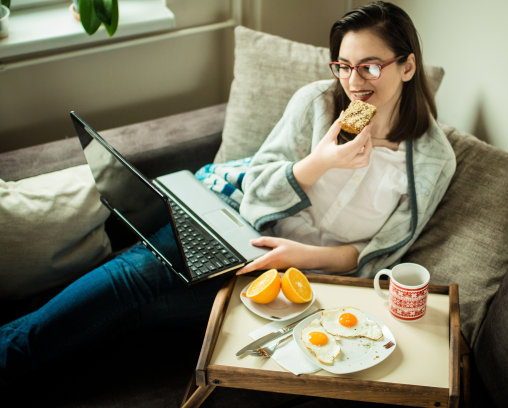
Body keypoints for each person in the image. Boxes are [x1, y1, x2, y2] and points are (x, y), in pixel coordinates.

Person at [0, 1, 455, 387]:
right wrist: (319, 163)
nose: (354, 82)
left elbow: (381, 252)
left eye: (370, 66)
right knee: (133, 277)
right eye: (343, 66)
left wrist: (299, 255)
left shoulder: (432, 162)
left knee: (134, 311)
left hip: (295, 284)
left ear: (408, 65)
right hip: (236, 223)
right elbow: (256, 191)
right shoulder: (318, 103)